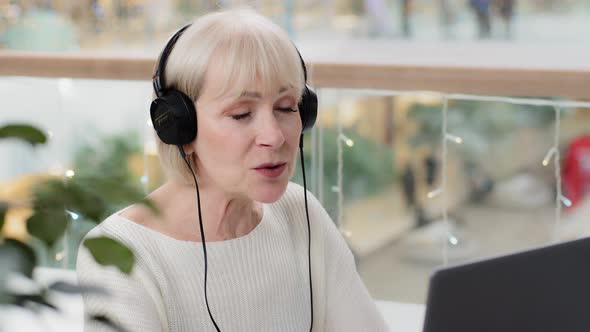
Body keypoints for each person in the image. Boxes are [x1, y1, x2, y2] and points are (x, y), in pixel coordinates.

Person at [76, 9, 390, 332]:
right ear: (180, 127)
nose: (275, 136)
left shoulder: (301, 213)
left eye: (286, 107)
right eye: (241, 114)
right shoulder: (120, 253)